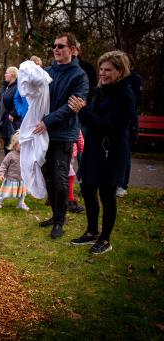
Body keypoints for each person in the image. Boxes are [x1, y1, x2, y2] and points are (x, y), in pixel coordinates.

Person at [67, 50, 134, 254]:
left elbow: (110, 127)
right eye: (101, 69)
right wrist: (83, 111)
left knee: (107, 195)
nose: (102, 73)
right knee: (88, 190)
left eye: (107, 70)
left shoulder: (125, 96)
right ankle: (92, 232)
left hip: (111, 153)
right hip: (94, 149)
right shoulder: (100, 90)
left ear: (120, 71)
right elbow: (88, 122)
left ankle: (105, 239)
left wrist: (84, 110)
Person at [33, 32, 89, 239]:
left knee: (60, 177)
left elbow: (72, 106)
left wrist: (47, 121)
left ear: (72, 50)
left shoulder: (79, 75)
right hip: (43, 133)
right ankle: (54, 214)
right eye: (54, 46)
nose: (56, 49)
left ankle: (60, 221)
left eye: (61, 46)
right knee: (47, 175)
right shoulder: (47, 72)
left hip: (63, 133)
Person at [117, 55, 143, 198]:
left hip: (127, 124)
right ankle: (115, 182)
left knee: (125, 155)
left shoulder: (134, 79)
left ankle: (122, 184)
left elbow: (137, 100)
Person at [0, 66, 19, 167]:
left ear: (12, 75)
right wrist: (3, 86)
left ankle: (12, 167)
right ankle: (8, 166)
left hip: (10, 121)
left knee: (10, 144)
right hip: (2, 120)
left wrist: (13, 113)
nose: (4, 75)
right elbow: (1, 99)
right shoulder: (8, 86)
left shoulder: (17, 87)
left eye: (6, 73)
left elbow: (19, 101)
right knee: (6, 143)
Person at [0, 131, 29, 211]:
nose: (23, 146)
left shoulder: (25, 155)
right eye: (20, 144)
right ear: (14, 144)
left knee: (22, 192)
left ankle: (21, 203)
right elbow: (4, 165)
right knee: (7, 192)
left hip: (22, 178)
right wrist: (1, 174)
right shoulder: (10, 155)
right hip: (11, 178)